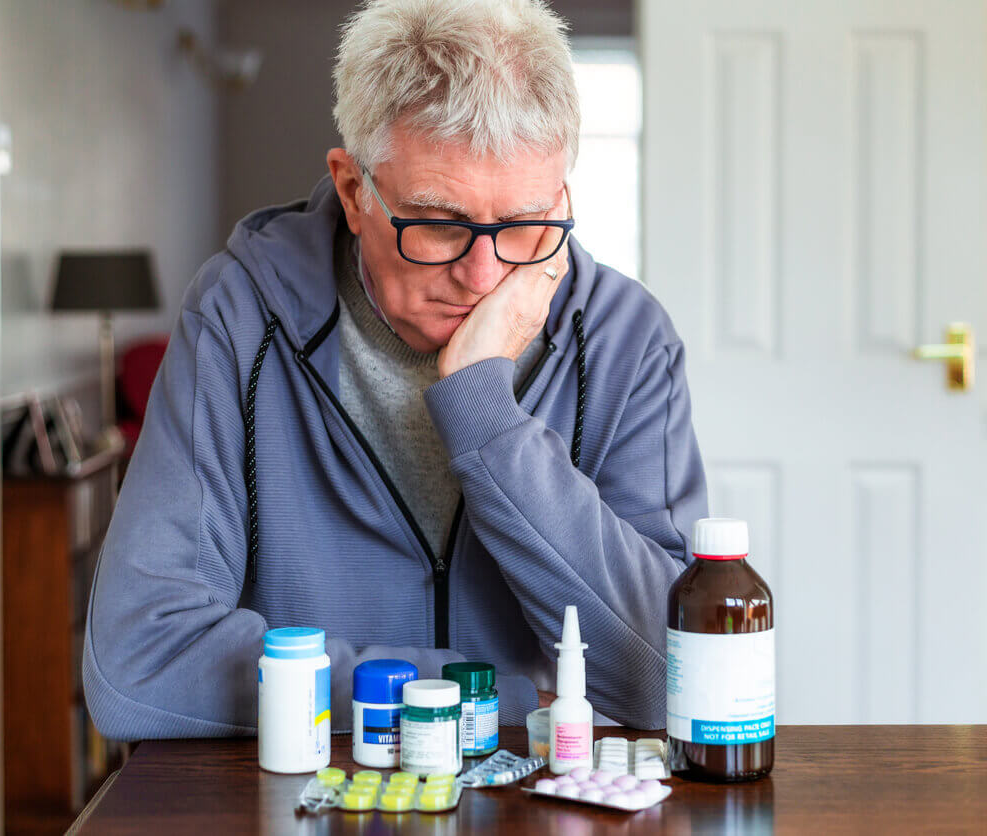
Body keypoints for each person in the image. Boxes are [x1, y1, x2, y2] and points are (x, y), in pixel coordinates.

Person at [82, 0, 707, 740]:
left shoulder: (626, 341)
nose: (483, 277)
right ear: (353, 191)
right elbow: (139, 664)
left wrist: (487, 415)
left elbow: (675, 679)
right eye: (440, 224)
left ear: (562, 197)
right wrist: (483, 699)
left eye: (526, 225)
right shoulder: (237, 317)